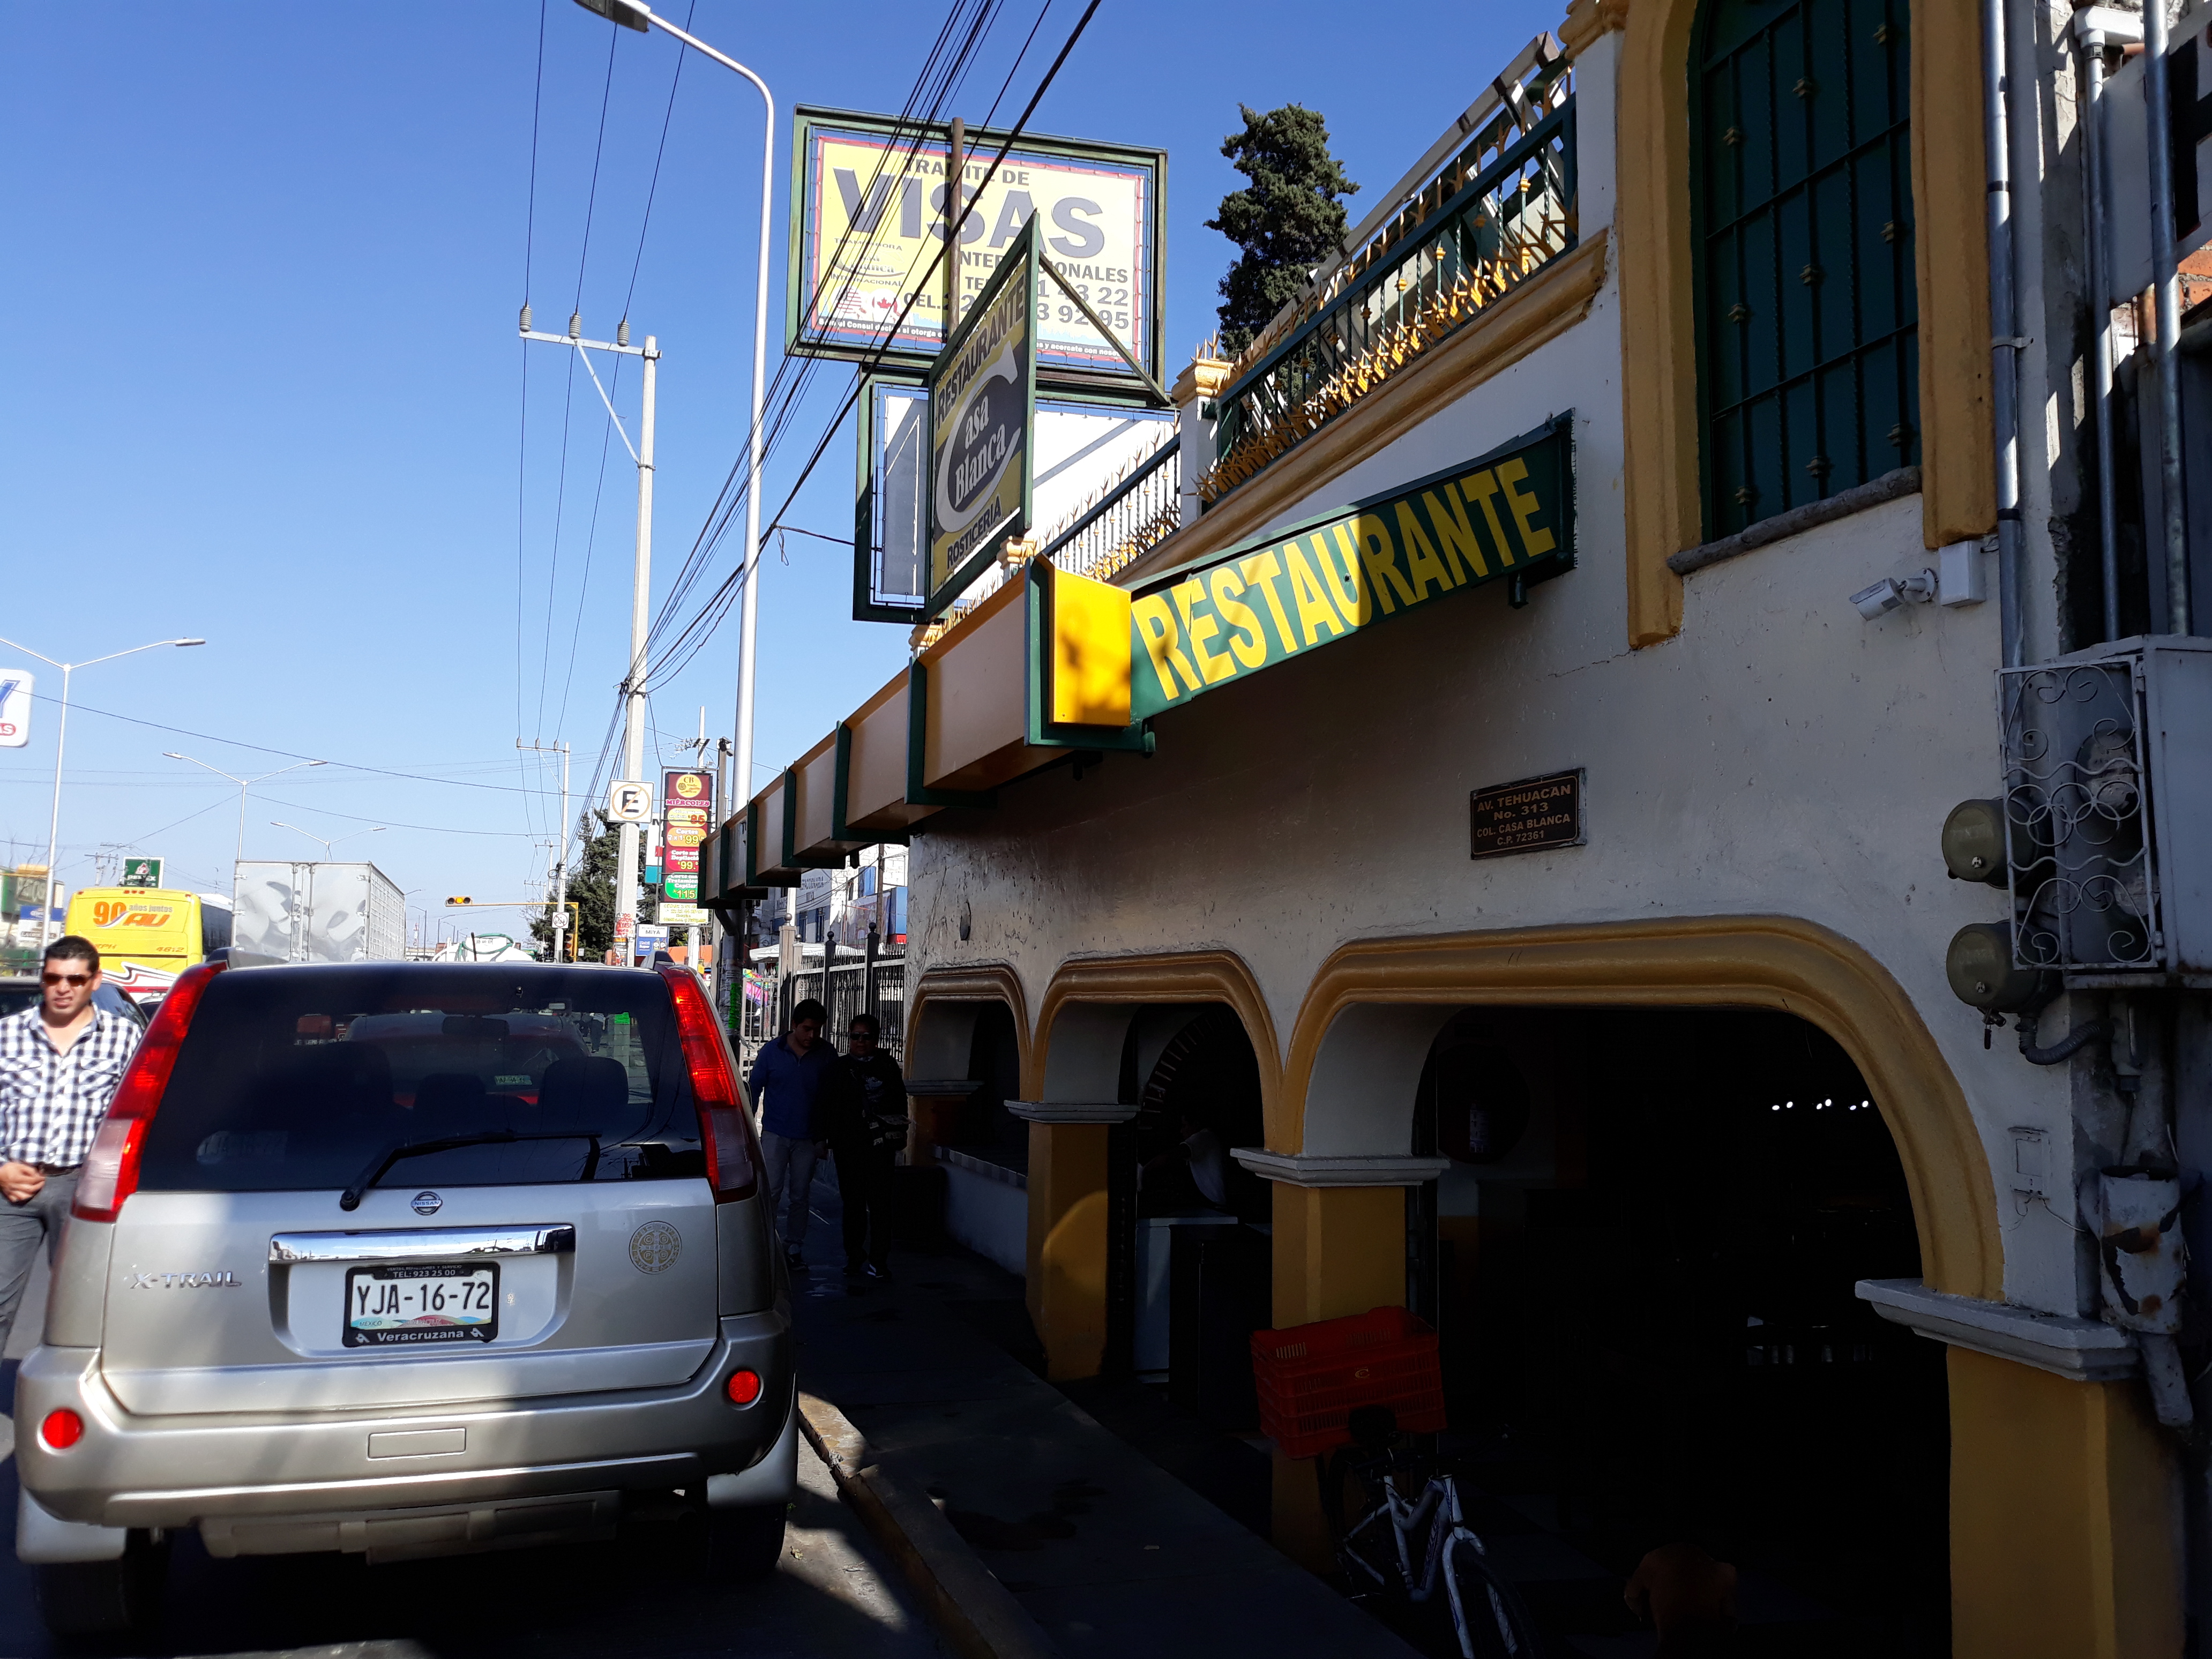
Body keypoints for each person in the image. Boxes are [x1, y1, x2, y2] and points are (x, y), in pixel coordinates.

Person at [0, 937, 141, 1356]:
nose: (63, 988)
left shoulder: (123, 1037)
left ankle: (74, 1387)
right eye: (53, 978)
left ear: (95, 981)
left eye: (75, 980)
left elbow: (136, 1117)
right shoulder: (7, 1035)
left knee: (83, 1307)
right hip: (12, 1187)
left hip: (84, 1188)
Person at [746, 998, 836, 1269]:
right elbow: (754, 1089)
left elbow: (832, 1098)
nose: (812, 1036)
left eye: (817, 1030)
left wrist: (824, 1137)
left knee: (800, 1194)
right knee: (771, 1192)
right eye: (807, 1029)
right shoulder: (772, 1052)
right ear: (794, 1024)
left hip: (808, 1138)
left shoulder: (826, 1054)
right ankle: (765, 1247)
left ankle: (794, 1247)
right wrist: (746, 1129)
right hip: (775, 1134)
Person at [820, 1012, 907, 1280]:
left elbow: (899, 1102)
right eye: (855, 1036)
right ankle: (854, 1256)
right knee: (853, 1204)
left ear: (876, 1039)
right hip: (848, 1147)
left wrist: (897, 1133)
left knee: (881, 1205)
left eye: (866, 1036)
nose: (860, 1041)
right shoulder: (838, 1068)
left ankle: (879, 1260)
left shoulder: (888, 1066)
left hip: (880, 1147)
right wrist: (825, 1138)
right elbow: (827, 1105)